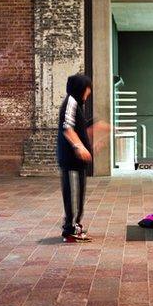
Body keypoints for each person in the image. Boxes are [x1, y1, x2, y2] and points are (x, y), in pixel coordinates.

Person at [57, 74, 93, 242]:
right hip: (71, 160)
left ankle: (74, 226)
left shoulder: (76, 104)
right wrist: (79, 147)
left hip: (77, 161)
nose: (89, 92)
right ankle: (70, 229)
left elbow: (78, 129)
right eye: (87, 88)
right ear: (81, 88)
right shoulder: (70, 102)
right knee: (73, 195)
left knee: (77, 195)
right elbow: (67, 128)